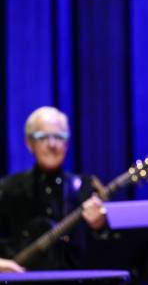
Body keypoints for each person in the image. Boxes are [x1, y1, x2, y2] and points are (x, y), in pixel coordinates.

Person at [0, 106, 107, 272]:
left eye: (59, 136)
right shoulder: (7, 189)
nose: (52, 144)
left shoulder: (87, 188)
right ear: (29, 143)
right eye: (43, 137)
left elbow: (108, 253)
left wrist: (100, 228)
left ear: (67, 143)